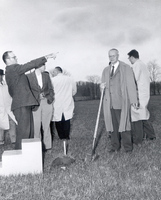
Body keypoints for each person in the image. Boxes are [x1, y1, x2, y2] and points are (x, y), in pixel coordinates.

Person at [2, 51, 57, 149]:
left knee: (28, 133)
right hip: (21, 105)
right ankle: (20, 155)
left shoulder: (12, 72)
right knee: (24, 134)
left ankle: (27, 155)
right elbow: (30, 64)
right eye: (14, 57)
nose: (16, 59)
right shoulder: (12, 69)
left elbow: (12, 92)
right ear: (8, 60)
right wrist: (46, 56)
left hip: (23, 104)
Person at [101, 48, 138, 153]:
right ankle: (115, 146)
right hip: (110, 103)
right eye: (110, 56)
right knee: (112, 126)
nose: (111, 58)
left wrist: (133, 100)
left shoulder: (126, 68)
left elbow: (131, 85)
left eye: (113, 55)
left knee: (125, 125)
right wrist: (101, 87)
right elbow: (103, 87)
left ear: (118, 55)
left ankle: (127, 148)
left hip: (122, 102)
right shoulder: (105, 70)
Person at [127, 49, 156, 144]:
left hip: (138, 94)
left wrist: (134, 97)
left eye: (129, 58)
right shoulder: (143, 64)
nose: (129, 60)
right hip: (144, 94)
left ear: (132, 57)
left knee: (136, 118)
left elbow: (133, 81)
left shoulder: (136, 65)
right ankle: (151, 135)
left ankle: (138, 139)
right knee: (143, 116)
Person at [27, 64, 54, 151]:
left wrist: (50, 97)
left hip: (46, 102)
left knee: (46, 126)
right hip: (35, 104)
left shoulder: (46, 75)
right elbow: (27, 91)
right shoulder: (28, 77)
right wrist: (37, 96)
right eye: (43, 66)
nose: (45, 67)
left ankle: (48, 146)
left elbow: (51, 89)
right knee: (36, 127)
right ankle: (37, 147)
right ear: (38, 66)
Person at [51, 67, 77, 154]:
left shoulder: (53, 80)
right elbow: (74, 91)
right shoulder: (70, 79)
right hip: (67, 100)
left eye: (54, 71)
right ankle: (66, 136)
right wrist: (69, 95)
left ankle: (61, 136)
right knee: (67, 119)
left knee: (57, 119)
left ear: (57, 71)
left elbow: (51, 91)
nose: (53, 73)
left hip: (57, 101)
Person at [0, 69, 17, 145]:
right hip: (0, 110)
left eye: (1, 76)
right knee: (1, 126)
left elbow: (11, 96)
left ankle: (14, 141)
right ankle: (1, 141)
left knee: (12, 123)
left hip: (9, 109)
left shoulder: (6, 86)